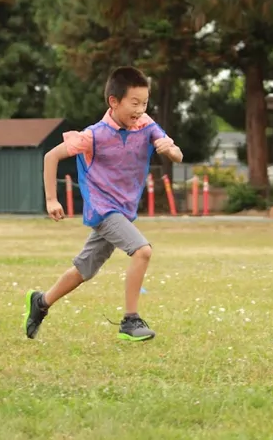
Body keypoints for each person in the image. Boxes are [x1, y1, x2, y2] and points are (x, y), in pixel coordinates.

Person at [23, 66, 183, 342]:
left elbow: (176, 154)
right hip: (102, 209)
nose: (140, 109)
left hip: (123, 211)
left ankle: (41, 302)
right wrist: (51, 199)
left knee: (84, 269)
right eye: (134, 103)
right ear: (114, 101)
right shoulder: (93, 136)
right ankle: (130, 320)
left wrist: (170, 149)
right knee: (142, 251)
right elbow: (51, 156)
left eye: (144, 103)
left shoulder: (146, 125)